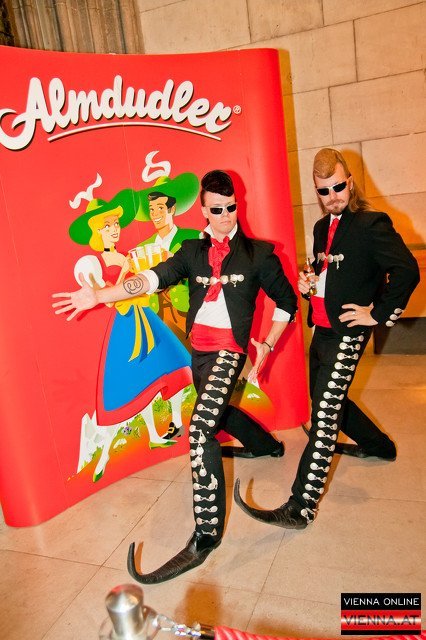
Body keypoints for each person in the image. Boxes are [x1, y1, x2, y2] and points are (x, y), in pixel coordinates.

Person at [53, 169, 298, 582]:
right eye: (216, 209)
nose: (226, 216)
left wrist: (267, 344)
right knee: (215, 411)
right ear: (203, 210)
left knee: (200, 430)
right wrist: (98, 295)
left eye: (231, 207)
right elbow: (151, 279)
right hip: (198, 352)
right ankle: (267, 445)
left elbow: (288, 302)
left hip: (230, 351)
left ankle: (206, 536)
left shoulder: (258, 254)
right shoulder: (191, 251)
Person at [234, 148, 420, 530]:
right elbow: (327, 275)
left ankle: (300, 508)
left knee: (323, 419)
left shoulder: (371, 224)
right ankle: (379, 446)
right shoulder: (322, 228)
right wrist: (309, 285)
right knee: (328, 400)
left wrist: (377, 314)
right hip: (321, 329)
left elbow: (407, 270)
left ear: (350, 182)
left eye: (338, 187)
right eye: (324, 190)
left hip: (348, 334)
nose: (333, 196)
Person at [68, 192, 192, 481]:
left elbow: (142, 286)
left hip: (144, 319)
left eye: (115, 224)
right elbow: (110, 300)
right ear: (97, 232)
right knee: (135, 384)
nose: (114, 229)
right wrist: (117, 286)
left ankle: (164, 429)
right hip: (126, 327)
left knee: (172, 365)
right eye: (107, 225)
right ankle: (108, 454)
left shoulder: (127, 256)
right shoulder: (96, 263)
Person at [135, 174, 200, 439]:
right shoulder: (143, 248)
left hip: (188, 312)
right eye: (151, 209)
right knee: (170, 369)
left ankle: (210, 417)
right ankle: (175, 420)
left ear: (172, 209)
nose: (155, 214)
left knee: (199, 366)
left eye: (160, 208)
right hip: (158, 316)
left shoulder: (192, 238)